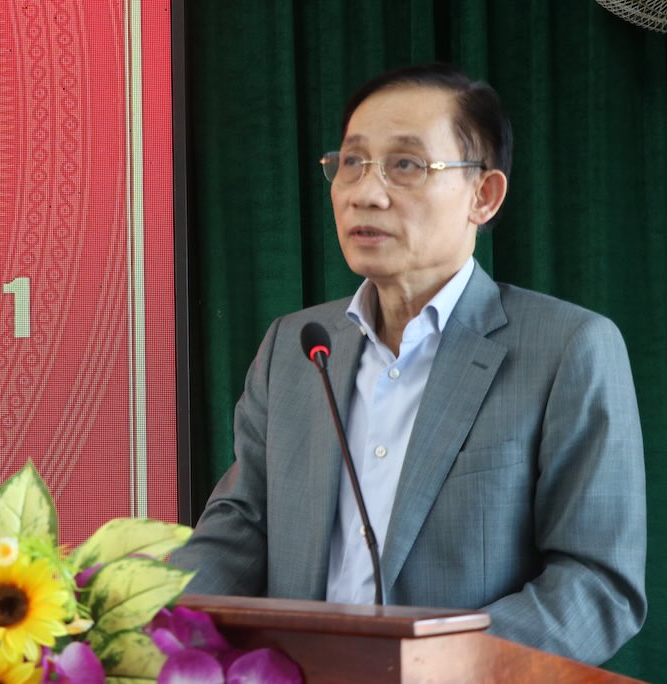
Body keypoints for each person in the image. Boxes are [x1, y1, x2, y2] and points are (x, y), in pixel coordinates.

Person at [170, 63, 647, 665]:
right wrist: (136, 621)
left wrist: (433, 665)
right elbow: (241, 526)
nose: (365, 192)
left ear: (483, 195)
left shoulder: (568, 348)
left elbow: (597, 585)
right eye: (351, 162)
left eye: (406, 165)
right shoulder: (295, 347)